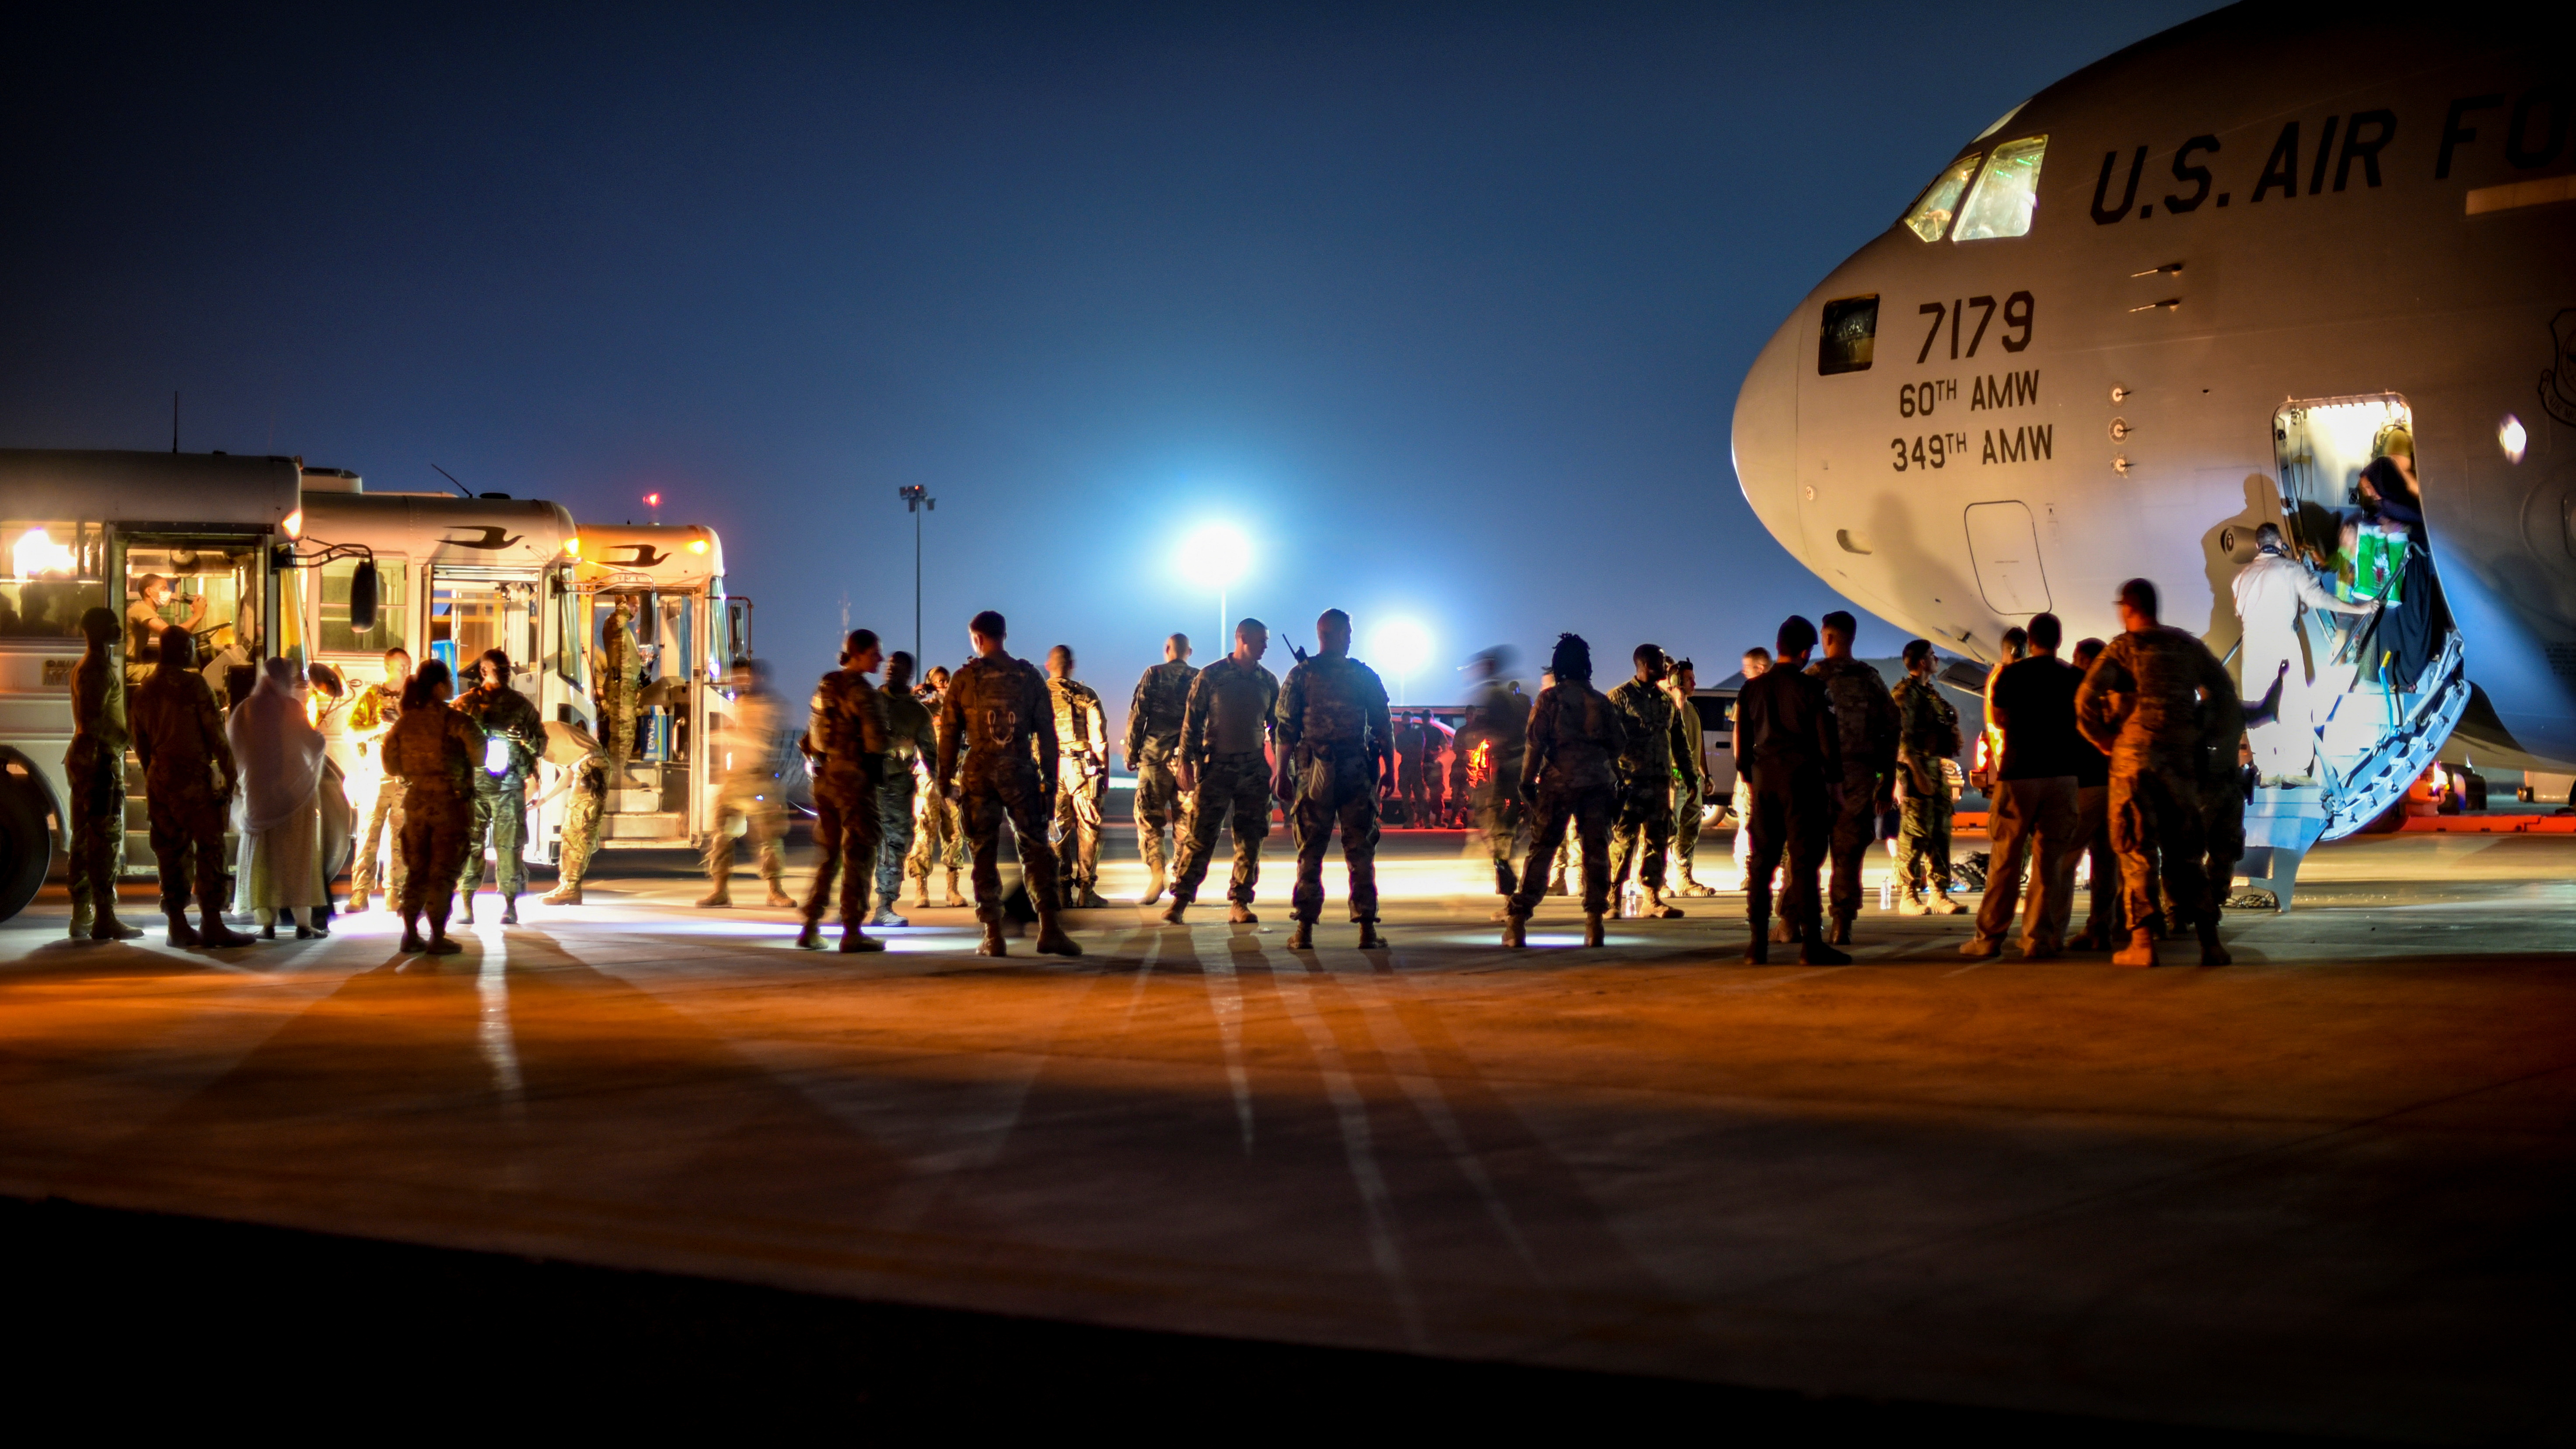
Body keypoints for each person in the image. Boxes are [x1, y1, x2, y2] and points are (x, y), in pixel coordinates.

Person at [2076, 578, 2240, 967]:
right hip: (2180, 762)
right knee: (2186, 854)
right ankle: (2210, 943)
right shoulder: (2187, 646)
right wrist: (2196, 727)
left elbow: (2085, 697)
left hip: (2134, 762)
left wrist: (2105, 741)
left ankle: (2143, 943)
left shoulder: (2124, 648)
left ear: (2127, 608)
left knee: (2137, 850)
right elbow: (2223, 690)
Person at [937, 612, 1079, 957]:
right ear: (1004, 635)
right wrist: (1048, 781)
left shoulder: (964, 678)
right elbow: (1047, 732)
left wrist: (944, 780)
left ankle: (993, 935)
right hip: (1020, 770)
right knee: (1036, 849)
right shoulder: (1029, 677)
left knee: (983, 851)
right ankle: (1049, 929)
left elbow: (949, 734)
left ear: (977, 638)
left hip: (979, 772)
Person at [1963, 612, 2085, 959]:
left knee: (2005, 859)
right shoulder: (2075, 677)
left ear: (2029, 642)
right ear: (2059, 641)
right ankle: (2037, 939)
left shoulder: (2011, 675)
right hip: (2063, 775)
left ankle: (1988, 938)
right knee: (2050, 864)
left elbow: (1999, 718)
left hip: (2020, 774)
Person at [1275, 609, 1394, 950]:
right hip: (1356, 772)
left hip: (1314, 773)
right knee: (1360, 851)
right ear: (1340, 635)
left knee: (1310, 850)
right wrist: (1390, 769)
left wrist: (1281, 773)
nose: (1352, 638)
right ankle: (1367, 930)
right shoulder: (1362, 675)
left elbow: (1286, 729)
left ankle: (1304, 932)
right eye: (1349, 632)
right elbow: (1383, 727)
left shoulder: (1300, 675)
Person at [1733, 616, 1846, 964]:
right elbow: (1827, 743)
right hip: (1802, 782)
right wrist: (1837, 787)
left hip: (1764, 781)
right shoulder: (1812, 689)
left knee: (1762, 863)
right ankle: (1811, 945)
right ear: (1803, 651)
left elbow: (1743, 747)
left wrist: (1752, 780)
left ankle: (1756, 946)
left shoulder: (1751, 689)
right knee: (1803, 864)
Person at [128, 629, 250, 948]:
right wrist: (229, 775)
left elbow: (139, 743)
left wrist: (154, 773)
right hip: (191, 778)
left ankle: (177, 925)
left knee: (170, 850)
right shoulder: (193, 685)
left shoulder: (143, 690)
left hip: (158, 776)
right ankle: (212, 922)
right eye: (193, 647)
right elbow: (215, 734)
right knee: (210, 849)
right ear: (184, 651)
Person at [1501, 634, 1625, 949]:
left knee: (1542, 851)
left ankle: (1517, 922)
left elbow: (1535, 743)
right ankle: (1594, 923)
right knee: (1596, 852)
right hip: (1597, 784)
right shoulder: (1600, 701)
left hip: (1557, 784)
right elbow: (1618, 745)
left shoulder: (1549, 699)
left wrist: (1526, 782)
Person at [2233, 521, 2369, 783]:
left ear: (2257, 546)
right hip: (2282, 641)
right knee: (2293, 703)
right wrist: (2358, 609)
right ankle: (2296, 768)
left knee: (2259, 704)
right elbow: (2319, 599)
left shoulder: (2242, 576)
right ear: (2280, 542)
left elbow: (2240, 611)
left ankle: (2268, 769)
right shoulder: (2291, 569)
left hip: (2253, 646)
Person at [1163, 618, 1278, 925]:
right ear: (1242, 638)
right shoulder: (1211, 676)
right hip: (1217, 767)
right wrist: (1185, 763)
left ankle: (1240, 902)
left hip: (1254, 769)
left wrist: (1282, 769)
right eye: (1261, 640)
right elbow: (1192, 721)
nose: (1266, 646)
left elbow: (1278, 728)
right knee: (1201, 835)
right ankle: (1181, 899)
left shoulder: (1267, 681)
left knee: (1250, 837)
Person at [1805, 613, 1898, 944]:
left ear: (1827, 638)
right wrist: (1886, 780)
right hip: (1858, 777)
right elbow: (1892, 729)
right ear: (1852, 638)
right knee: (1848, 855)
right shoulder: (1870, 680)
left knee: (1805, 853)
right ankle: (1841, 923)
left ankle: (1794, 920)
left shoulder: (1813, 678)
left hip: (1817, 778)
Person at [380, 659, 484, 955]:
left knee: (417, 869)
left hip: (416, 805)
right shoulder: (456, 720)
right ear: (439, 687)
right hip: (450, 805)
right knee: (443, 871)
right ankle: (438, 935)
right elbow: (480, 757)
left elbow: (390, 765)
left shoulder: (404, 721)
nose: (453, 686)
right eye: (449, 680)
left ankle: (410, 932)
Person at [798, 630, 891, 953]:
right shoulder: (862, 691)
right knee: (861, 851)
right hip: (853, 782)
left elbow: (809, 738)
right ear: (859, 653)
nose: (880, 659)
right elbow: (877, 741)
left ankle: (810, 925)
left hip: (824, 780)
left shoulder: (827, 683)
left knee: (829, 854)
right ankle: (852, 929)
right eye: (875, 653)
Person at [228, 655, 330, 938]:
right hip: (293, 799)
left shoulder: (246, 709)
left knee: (265, 860)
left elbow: (234, 750)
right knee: (297, 859)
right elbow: (312, 744)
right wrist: (319, 737)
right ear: (284, 680)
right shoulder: (291, 708)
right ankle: (302, 924)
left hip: (259, 798)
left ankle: (267, 924)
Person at [63, 606, 141, 941]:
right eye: (113, 625)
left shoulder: (90, 665)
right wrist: (131, 741)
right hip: (99, 760)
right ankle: (103, 917)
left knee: (82, 838)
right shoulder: (96, 668)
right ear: (96, 631)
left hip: (87, 758)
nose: (120, 629)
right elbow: (95, 719)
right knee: (103, 839)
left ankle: (82, 915)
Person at [452, 648, 543, 926]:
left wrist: (526, 738)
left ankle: (510, 904)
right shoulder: (464, 705)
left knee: (510, 847)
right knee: (469, 845)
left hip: (509, 785)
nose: (505, 675)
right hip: (474, 787)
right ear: (484, 671)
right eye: (500, 670)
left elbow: (541, 745)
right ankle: (466, 903)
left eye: (507, 670)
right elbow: (449, 744)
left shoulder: (522, 706)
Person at [702, 657, 795, 910]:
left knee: (769, 837)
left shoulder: (772, 706)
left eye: (745, 677)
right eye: (737, 677)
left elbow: (767, 743)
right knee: (722, 835)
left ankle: (775, 890)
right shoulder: (740, 703)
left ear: (759, 678)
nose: (740, 682)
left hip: (761, 780)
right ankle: (720, 890)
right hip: (736, 779)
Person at [1606, 644, 1687, 918]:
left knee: (1658, 841)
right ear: (1643, 665)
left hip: (1660, 783)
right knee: (1623, 841)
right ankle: (1612, 898)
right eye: (1660, 662)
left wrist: (1690, 774)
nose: (1666, 668)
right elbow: (1605, 743)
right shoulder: (1619, 698)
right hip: (1630, 784)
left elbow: (1679, 740)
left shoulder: (1666, 701)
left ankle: (1651, 898)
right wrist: (1613, 780)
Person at [1891, 639, 1965, 915]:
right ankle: (1908, 894)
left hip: (1934, 767)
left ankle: (1939, 893)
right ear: (1922, 662)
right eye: (1933, 656)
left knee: (1940, 832)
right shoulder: (1905, 695)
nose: (1937, 660)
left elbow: (1945, 720)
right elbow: (1902, 740)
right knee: (1915, 833)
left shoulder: (1929, 693)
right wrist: (1916, 773)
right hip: (1916, 769)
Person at [1453, 647, 1528, 917]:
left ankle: (1513, 904)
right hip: (1508, 779)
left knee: (1500, 844)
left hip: (1500, 782)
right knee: (1500, 841)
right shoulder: (1509, 697)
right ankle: (1511, 901)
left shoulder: (1496, 698)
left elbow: (1500, 740)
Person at [1125, 633, 1196, 905]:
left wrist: (1132, 752)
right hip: (1188, 761)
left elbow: (1138, 713)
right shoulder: (1200, 677)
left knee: (1149, 817)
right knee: (1186, 823)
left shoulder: (1153, 674)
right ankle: (1181, 878)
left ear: (1167, 649)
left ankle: (1157, 873)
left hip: (1155, 758)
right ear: (1189, 651)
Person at [2065, 637, 2123, 950]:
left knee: (2065, 856)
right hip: (2114, 784)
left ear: (2085, 660)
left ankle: (2045, 927)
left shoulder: (2081, 692)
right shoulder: (2116, 693)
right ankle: (2101, 927)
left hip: (2087, 783)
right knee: (2105, 862)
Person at [870, 651, 935, 925]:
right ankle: (849, 904)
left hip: (897, 787)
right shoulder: (870, 700)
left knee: (894, 845)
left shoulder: (917, 712)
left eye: (897, 667)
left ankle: (885, 905)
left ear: (908, 674)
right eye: (888, 665)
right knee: (857, 845)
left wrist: (945, 785)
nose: (890, 669)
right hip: (865, 785)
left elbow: (931, 753)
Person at [1044, 646, 1110, 909]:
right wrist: (1103, 771)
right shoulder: (1084, 694)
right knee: (1089, 828)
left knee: (1056, 829)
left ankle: (1061, 890)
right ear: (1072, 665)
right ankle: (1086, 890)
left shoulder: (1037, 694)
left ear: (1049, 666)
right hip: (1082, 767)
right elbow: (1099, 738)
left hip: (1050, 769)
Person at [345, 648, 411, 912]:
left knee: (401, 835)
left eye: (408, 666)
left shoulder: (414, 700)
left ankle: (394, 893)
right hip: (377, 773)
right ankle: (360, 893)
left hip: (405, 776)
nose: (407, 671)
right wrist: (378, 728)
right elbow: (351, 732)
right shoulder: (372, 698)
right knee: (369, 834)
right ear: (388, 667)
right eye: (401, 667)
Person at [905, 663, 969, 909]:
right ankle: (921, 890)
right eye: (939, 681)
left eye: (947, 679)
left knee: (955, 835)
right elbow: (900, 713)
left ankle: (952, 890)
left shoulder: (961, 710)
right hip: (928, 780)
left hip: (954, 779)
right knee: (924, 833)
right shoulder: (924, 710)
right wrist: (916, 693)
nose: (944, 684)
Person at [535, 722, 609, 905]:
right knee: (574, 831)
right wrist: (542, 801)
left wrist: (520, 804)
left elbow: (531, 783)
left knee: (577, 832)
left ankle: (570, 889)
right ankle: (567, 886)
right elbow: (567, 775)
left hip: (590, 768)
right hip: (590, 767)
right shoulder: (546, 731)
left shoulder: (536, 738)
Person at [1661, 659, 1715, 899]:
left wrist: (1706, 774)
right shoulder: (1665, 707)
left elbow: (1698, 744)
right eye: (1689, 679)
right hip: (1672, 781)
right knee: (1664, 832)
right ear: (1676, 681)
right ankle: (1657, 880)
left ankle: (1683, 878)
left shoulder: (1692, 710)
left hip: (1691, 782)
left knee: (1690, 830)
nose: (1695, 683)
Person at [1729, 646, 1772, 892]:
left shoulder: (1752, 693)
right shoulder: (1748, 693)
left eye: (1748, 668)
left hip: (1762, 772)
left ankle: (1765, 873)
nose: (1744, 672)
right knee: (1748, 823)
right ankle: (1746, 872)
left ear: (1761, 668)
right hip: (1754, 773)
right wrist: (1744, 772)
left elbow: (1739, 735)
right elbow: (1739, 736)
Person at [1974, 627, 2029, 797]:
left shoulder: (1997, 675)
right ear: (2018, 650)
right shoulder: (2007, 677)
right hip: (2011, 755)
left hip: (2005, 755)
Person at [124, 572, 208, 670]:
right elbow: (171, 634)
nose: (168, 593)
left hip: (134, 664)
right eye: (164, 589)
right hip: (128, 667)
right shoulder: (140, 609)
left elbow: (179, 635)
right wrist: (198, 616)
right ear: (149, 591)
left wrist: (196, 616)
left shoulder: (150, 612)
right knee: (172, 673)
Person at [596, 595, 639, 777]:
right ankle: (617, 776)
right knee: (622, 734)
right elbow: (621, 615)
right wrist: (622, 594)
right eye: (633, 605)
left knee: (627, 732)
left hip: (626, 689)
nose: (636, 609)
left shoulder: (624, 631)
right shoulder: (614, 623)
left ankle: (618, 773)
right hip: (620, 688)